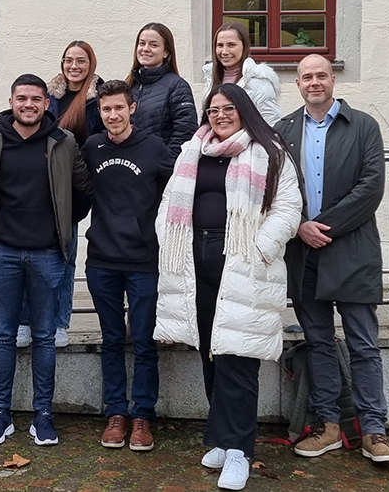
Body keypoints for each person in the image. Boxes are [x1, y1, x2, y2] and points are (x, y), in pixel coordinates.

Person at [154, 83, 301, 491]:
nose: (220, 115)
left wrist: (260, 246)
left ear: (244, 110)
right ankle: (221, 437)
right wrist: (169, 236)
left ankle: (240, 451)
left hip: (243, 262)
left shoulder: (269, 151)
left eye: (228, 108)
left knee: (239, 356)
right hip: (194, 265)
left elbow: (289, 207)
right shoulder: (192, 152)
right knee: (210, 352)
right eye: (213, 109)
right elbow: (169, 202)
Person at [276, 54, 389, 464]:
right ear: (297, 84)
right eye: (306, 76)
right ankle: (327, 426)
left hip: (352, 251)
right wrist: (299, 226)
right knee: (319, 343)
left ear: (333, 80)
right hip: (304, 255)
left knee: (363, 344)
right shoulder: (283, 131)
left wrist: (320, 225)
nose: (314, 82)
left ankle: (374, 431)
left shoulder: (363, 126)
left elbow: (371, 187)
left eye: (321, 75)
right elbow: (276, 193)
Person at [0, 75, 92, 448]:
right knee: (5, 336)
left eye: (36, 99)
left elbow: (83, 190)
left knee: (43, 337)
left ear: (46, 104)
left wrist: (60, 227)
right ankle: (0, 415)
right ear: (11, 101)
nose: (29, 104)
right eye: (22, 98)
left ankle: (43, 415)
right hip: (2, 253)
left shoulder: (63, 142)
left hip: (47, 254)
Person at [83, 80, 174, 452]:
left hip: (142, 261)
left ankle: (143, 417)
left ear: (132, 108)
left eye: (119, 108)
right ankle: (116, 413)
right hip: (102, 259)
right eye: (106, 109)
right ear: (100, 112)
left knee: (144, 340)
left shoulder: (155, 149)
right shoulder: (92, 147)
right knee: (110, 340)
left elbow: (176, 197)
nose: (113, 115)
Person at [17, 41, 102, 349]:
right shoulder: (48, 95)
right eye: (68, 60)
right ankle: (25, 322)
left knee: (64, 258)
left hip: (72, 188)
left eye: (81, 60)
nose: (73, 66)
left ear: (90, 63)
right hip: (40, 185)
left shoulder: (96, 97)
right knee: (30, 257)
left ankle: (59, 323)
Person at [126, 23, 198, 150]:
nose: (145, 49)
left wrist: (165, 163)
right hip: (130, 165)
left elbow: (185, 132)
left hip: (160, 167)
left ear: (166, 52)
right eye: (142, 43)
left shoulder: (177, 87)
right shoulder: (129, 86)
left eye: (153, 45)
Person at [208, 21, 282, 125]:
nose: (224, 51)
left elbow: (271, 124)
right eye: (220, 45)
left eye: (231, 45)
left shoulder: (260, 82)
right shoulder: (210, 79)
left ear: (244, 46)